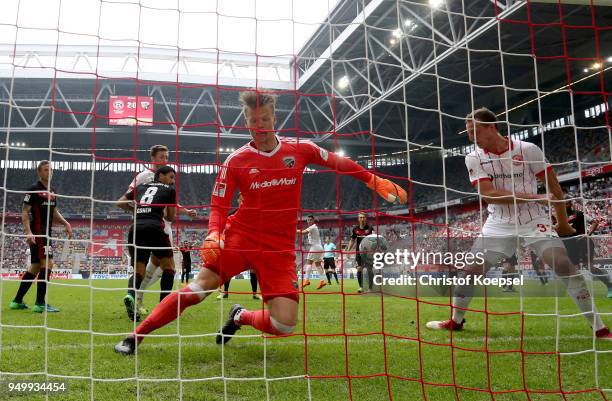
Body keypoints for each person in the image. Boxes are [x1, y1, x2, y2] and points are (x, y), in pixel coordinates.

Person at [114, 89, 407, 354]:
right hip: (240, 237)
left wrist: (372, 179)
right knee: (198, 289)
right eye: (255, 120)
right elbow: (218, 204)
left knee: (285, 325)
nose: (261, 126)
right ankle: (134, 337)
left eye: (265, 119)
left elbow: (336, 161)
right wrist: (214, 233)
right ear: (247, 123)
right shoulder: (236, 161)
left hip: (278, 248)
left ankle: (241, 316)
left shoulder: (300, 149)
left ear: (273, 119)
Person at [426, 107, 611, 340]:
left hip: (534, 219)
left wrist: (563, 223)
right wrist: (535, 196)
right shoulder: (473, 157)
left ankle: (600, 329)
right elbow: (489, 195)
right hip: (498, 222)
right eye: (469, 133)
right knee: (470, 271)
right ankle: (455, 321)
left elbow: (554, 188)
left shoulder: (528, 150)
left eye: (474, 132)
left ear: (491, 127)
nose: (471, 138)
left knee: (564, 265)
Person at [122, 145, 197, 319]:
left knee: (157, 265)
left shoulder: (167, 179)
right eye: (162, 157)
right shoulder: (143, 176)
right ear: (153, 159)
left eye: (166, 157)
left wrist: (186, 212)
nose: (165, 160)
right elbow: (127, 195)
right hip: (152, 223)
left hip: (163, 225)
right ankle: (152, 303)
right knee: (166, 266)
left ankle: (137, 297)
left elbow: (171, 204)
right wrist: (137, 211)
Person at [10, 160, 72, 313]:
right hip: (37, 231)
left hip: (46, 232)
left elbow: (54, 211)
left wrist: (65, 223)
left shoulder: (52, 191)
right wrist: (28, 232)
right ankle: (40, 303)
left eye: (50, 169)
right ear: (39, 172)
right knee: (48, 263)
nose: (49, 172)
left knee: (36, 266)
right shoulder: (33, 189)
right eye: (45, 169)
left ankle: (17, 301)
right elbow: (24, 211)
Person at [117, 166, 177, 321]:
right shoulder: (170, 190)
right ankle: (163, 310)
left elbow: (120, 203)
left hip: (136, 228)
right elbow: (170, 218)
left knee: (139, 271)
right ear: (161, 175)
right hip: (155, 228)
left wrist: (138, 210)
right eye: (171, 177)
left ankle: (130, 295)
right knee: (169, 268)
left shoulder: (141, 187)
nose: (172, 181)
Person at [563, 201, 612, 298]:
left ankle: (610, 286)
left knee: (589, 267)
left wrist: (588, 234)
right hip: (571, 245)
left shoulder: (579, 214)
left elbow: (595, 222)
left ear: (570, 205)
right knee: (572, 269)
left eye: (566, 203)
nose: (564, 205)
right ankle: (578, 291)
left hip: (584, 242)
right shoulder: (562, 218)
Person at [346, 212, 373, 293]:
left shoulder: (370, 228)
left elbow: (374, 240)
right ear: (358, 219)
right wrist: (348, 250)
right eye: (360, 217)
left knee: (369, 270)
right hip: (359, 252)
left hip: (368, 253)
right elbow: (352, 240)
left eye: (363, 217)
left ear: (366, 218)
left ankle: (370, 288)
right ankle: (361, 287)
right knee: (359, 269)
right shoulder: (355, 229)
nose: (362, 219)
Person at [298, 215, 327, 290]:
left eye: (310, 220)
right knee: (318, 264)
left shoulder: (313, 227)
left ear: (313, 220)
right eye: (308, 220)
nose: (309, 221)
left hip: (315, 247)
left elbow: (303, 232)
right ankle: (322, 281)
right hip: (319, 247)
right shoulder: (314, 227)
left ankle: (306, 280)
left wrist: (293, 230)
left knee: (308, 262)